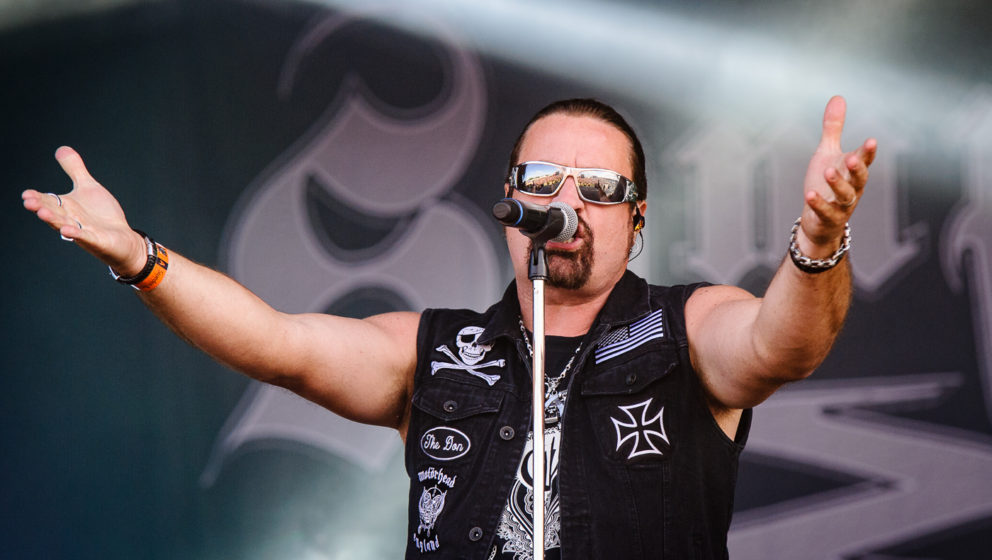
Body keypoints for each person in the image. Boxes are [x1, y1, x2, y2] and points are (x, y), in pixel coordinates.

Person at [22, 96, 875, 559]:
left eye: (598, 188)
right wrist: (138, 256)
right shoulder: (433, 351)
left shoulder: (685, 324)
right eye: (543, 179)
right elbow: (277, 345)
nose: (567, 201)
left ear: (637, 218)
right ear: (510, 199)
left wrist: (818, 243)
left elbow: (781, 346)